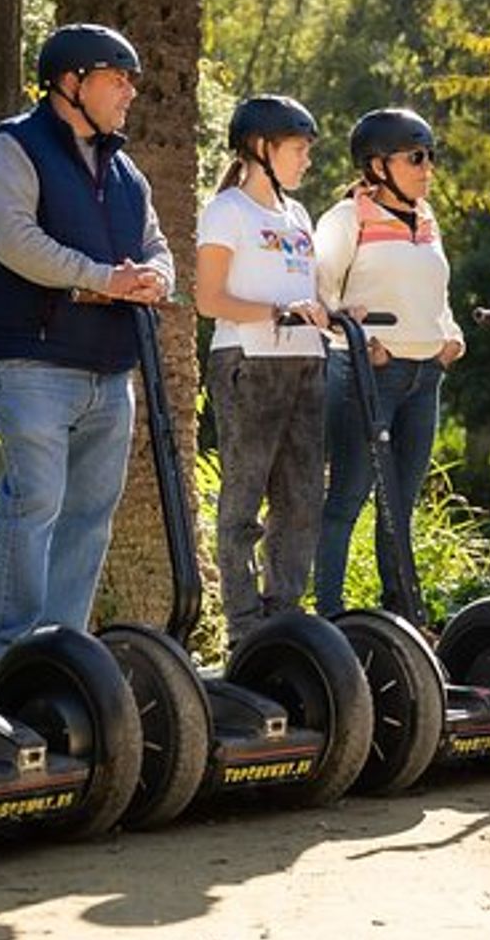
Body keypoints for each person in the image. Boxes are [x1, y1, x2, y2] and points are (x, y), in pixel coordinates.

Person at [0, 23, 175, 690]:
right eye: (119, 80)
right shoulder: (12, 148)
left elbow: (156, 243)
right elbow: (13, 240)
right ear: (71, 82)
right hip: (31, 363)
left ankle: (56, 659)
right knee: (36, 504)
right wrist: (98, 277)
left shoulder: (125, 170)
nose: (130, 94)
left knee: (88, 517)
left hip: (110, 371)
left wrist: (157, 278)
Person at [313, 108, 465, 618]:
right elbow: (317, 294)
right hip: (367, 374)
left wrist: (450, 335)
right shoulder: (345, 219)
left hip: (425, 376)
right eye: (417, 158)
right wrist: (355, 338)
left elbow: (434, 292)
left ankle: (400, 615)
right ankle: (329, 618)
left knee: (399, 505)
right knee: (348, 497)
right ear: (377, 166)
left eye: (431, 158)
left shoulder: (426, 219)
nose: (428, 169)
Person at [195, 95, 330, 647]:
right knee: (245, 500)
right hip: (250, 363)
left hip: (306, 363)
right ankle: (246, 627)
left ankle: (285, 619)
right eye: (299, 149)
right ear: (261, 148)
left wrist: (334, 314)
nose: (306, 161)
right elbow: (209, 298)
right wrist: (276, 312)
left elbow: (308, 291)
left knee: (301, 499)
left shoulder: (297, 215)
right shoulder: (227, 210)